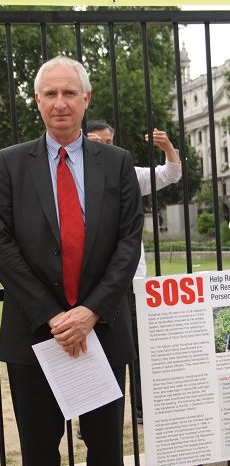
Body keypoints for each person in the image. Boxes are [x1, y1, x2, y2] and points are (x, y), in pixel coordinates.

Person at [0, 56, 143, 466]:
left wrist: (90, 312)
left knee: (108, 462)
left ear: (86, 98)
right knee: (39, 465)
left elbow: (128, 244)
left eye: (69, 93)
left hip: (103, 333)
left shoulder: (117, 163)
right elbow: (0, 246)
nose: (60, 103)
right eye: (51, 94)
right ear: (37, 101)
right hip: (35, 338)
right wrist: (56, 317)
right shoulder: (10, 164)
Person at [86, 121, 181, 425]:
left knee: (139, 349)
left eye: (109, 140)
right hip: (93, 284)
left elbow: (170, 174)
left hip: (134, 281)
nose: (104, 145)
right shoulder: (73, 177)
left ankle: (141, 409)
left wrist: (167, 148)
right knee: (95, 352)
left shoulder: (127, 174)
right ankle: (93, 418)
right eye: (96, 140)